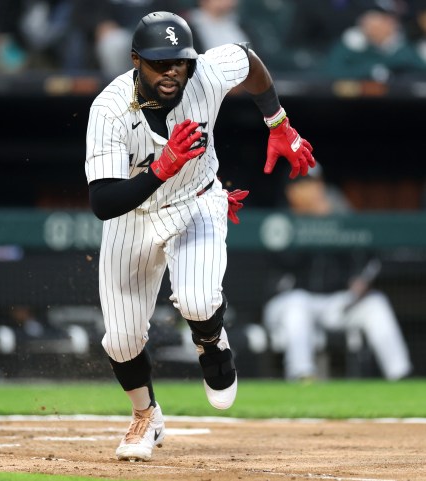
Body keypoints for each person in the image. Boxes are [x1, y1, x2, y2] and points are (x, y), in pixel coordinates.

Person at [84, 11, 315, 461]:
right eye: (158, 62)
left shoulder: (206, 72)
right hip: (131, 215)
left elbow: (248, 61)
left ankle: (212, 343)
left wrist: (279, 123)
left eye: (179, 61)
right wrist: (160, 169)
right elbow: (103, 203)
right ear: (136, 61)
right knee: (121, 339)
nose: (172, 71)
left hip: (197, 200)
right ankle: (146, 415)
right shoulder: (109, 109)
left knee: (196, 298)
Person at [262, 165, 413, 382]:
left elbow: (366, 254)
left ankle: (401, 375)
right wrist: (313, 224)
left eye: (317, 184)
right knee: (297, 305)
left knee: (375, 304)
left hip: (335, 303)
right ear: (291, 191)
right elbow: (287, 261)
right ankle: (302, 375)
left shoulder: (336, 213)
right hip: (288, 302)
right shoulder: (280, 220)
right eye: (306, 185)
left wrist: (336, 222)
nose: (315, 190)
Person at [322, 0, 426, 81]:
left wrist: (388, 65)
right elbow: (332, 72)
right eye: (371, 20)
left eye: (386, 20)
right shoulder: (351, 44)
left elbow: (420, 70)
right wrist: (373, 69)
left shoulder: (405, 45)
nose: (373, 26)